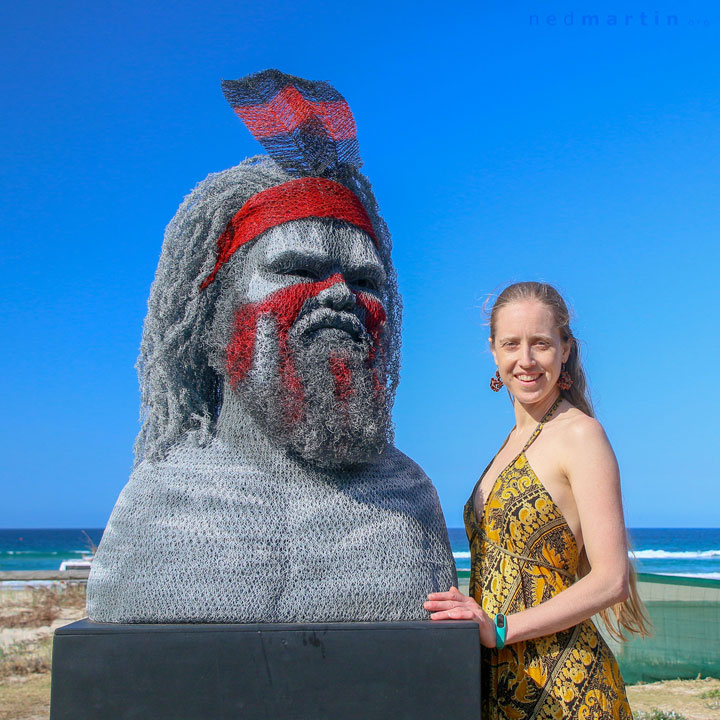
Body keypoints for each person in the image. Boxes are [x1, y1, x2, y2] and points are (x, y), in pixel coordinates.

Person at [86, 69, 456, 624]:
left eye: (365, 281)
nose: (339, 294)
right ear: (211, 319)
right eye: (298, 269)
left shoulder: (408, 499)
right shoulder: (156, 507)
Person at [424, 282, 650, 719]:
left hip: (567, 691)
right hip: (501, 685)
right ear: (493, 351)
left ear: (565, 349)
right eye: (512, 344)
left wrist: (500, 629)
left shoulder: (580, 435)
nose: (525, 360)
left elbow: (611, 579)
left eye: (541, 344)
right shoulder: (511, 443)